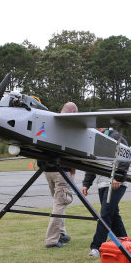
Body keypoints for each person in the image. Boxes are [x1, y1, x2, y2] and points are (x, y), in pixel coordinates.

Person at [81, 127, 129, 257]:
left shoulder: (115, 136)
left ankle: (96, 247)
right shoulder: (96, 138)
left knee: (105, 214)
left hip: (115, 183)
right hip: (102, 183)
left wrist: (117, 176)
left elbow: (124, 157)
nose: (96, 127)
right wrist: (86, 184)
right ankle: (125, 241)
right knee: (113, 215)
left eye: (99, 124)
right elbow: (92, 163)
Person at [44, 102, 78, 248]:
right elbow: (73, 151)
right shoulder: (68, 125)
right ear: (72, 112)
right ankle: (52, 240)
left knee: (58, 202)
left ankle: (62, 233)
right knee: (61, 204)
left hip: (47, 170)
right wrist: (73, 173)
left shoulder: (49, 122)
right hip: (62, 171)